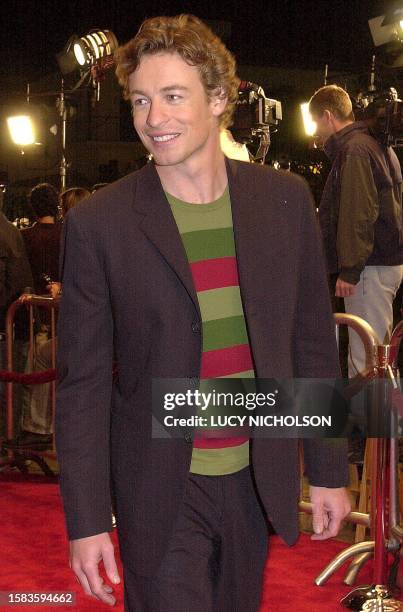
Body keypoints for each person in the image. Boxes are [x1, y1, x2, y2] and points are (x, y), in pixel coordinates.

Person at [56, 15, 350, 611]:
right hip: (159, 488)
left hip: (254, 480)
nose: (153, 118)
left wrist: (327, 469)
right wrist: (86, 521)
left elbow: (311, 347)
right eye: (141, 100)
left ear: (219, 99)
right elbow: (82, 385)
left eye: (172, 96)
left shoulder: (285, 201)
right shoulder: (99, 223)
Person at [309, 85, 403, 378]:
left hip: (368, 268)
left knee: (367, 359)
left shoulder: (355, 150)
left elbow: (358, 212)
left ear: (327, 116)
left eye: (316, 123)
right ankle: (374, 418)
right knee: (377, 353)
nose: (317, 132)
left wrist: (349, 270)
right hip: (381, 262)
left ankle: (368, 422)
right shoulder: (374, 144)